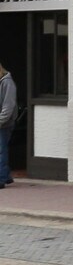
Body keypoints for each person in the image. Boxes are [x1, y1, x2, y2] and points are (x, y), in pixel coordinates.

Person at [0, 59, 17, 187]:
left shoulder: (7, 83)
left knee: (1, 151)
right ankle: (6, 176)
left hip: (4, 124)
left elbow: (8, 107)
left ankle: (1, 179)